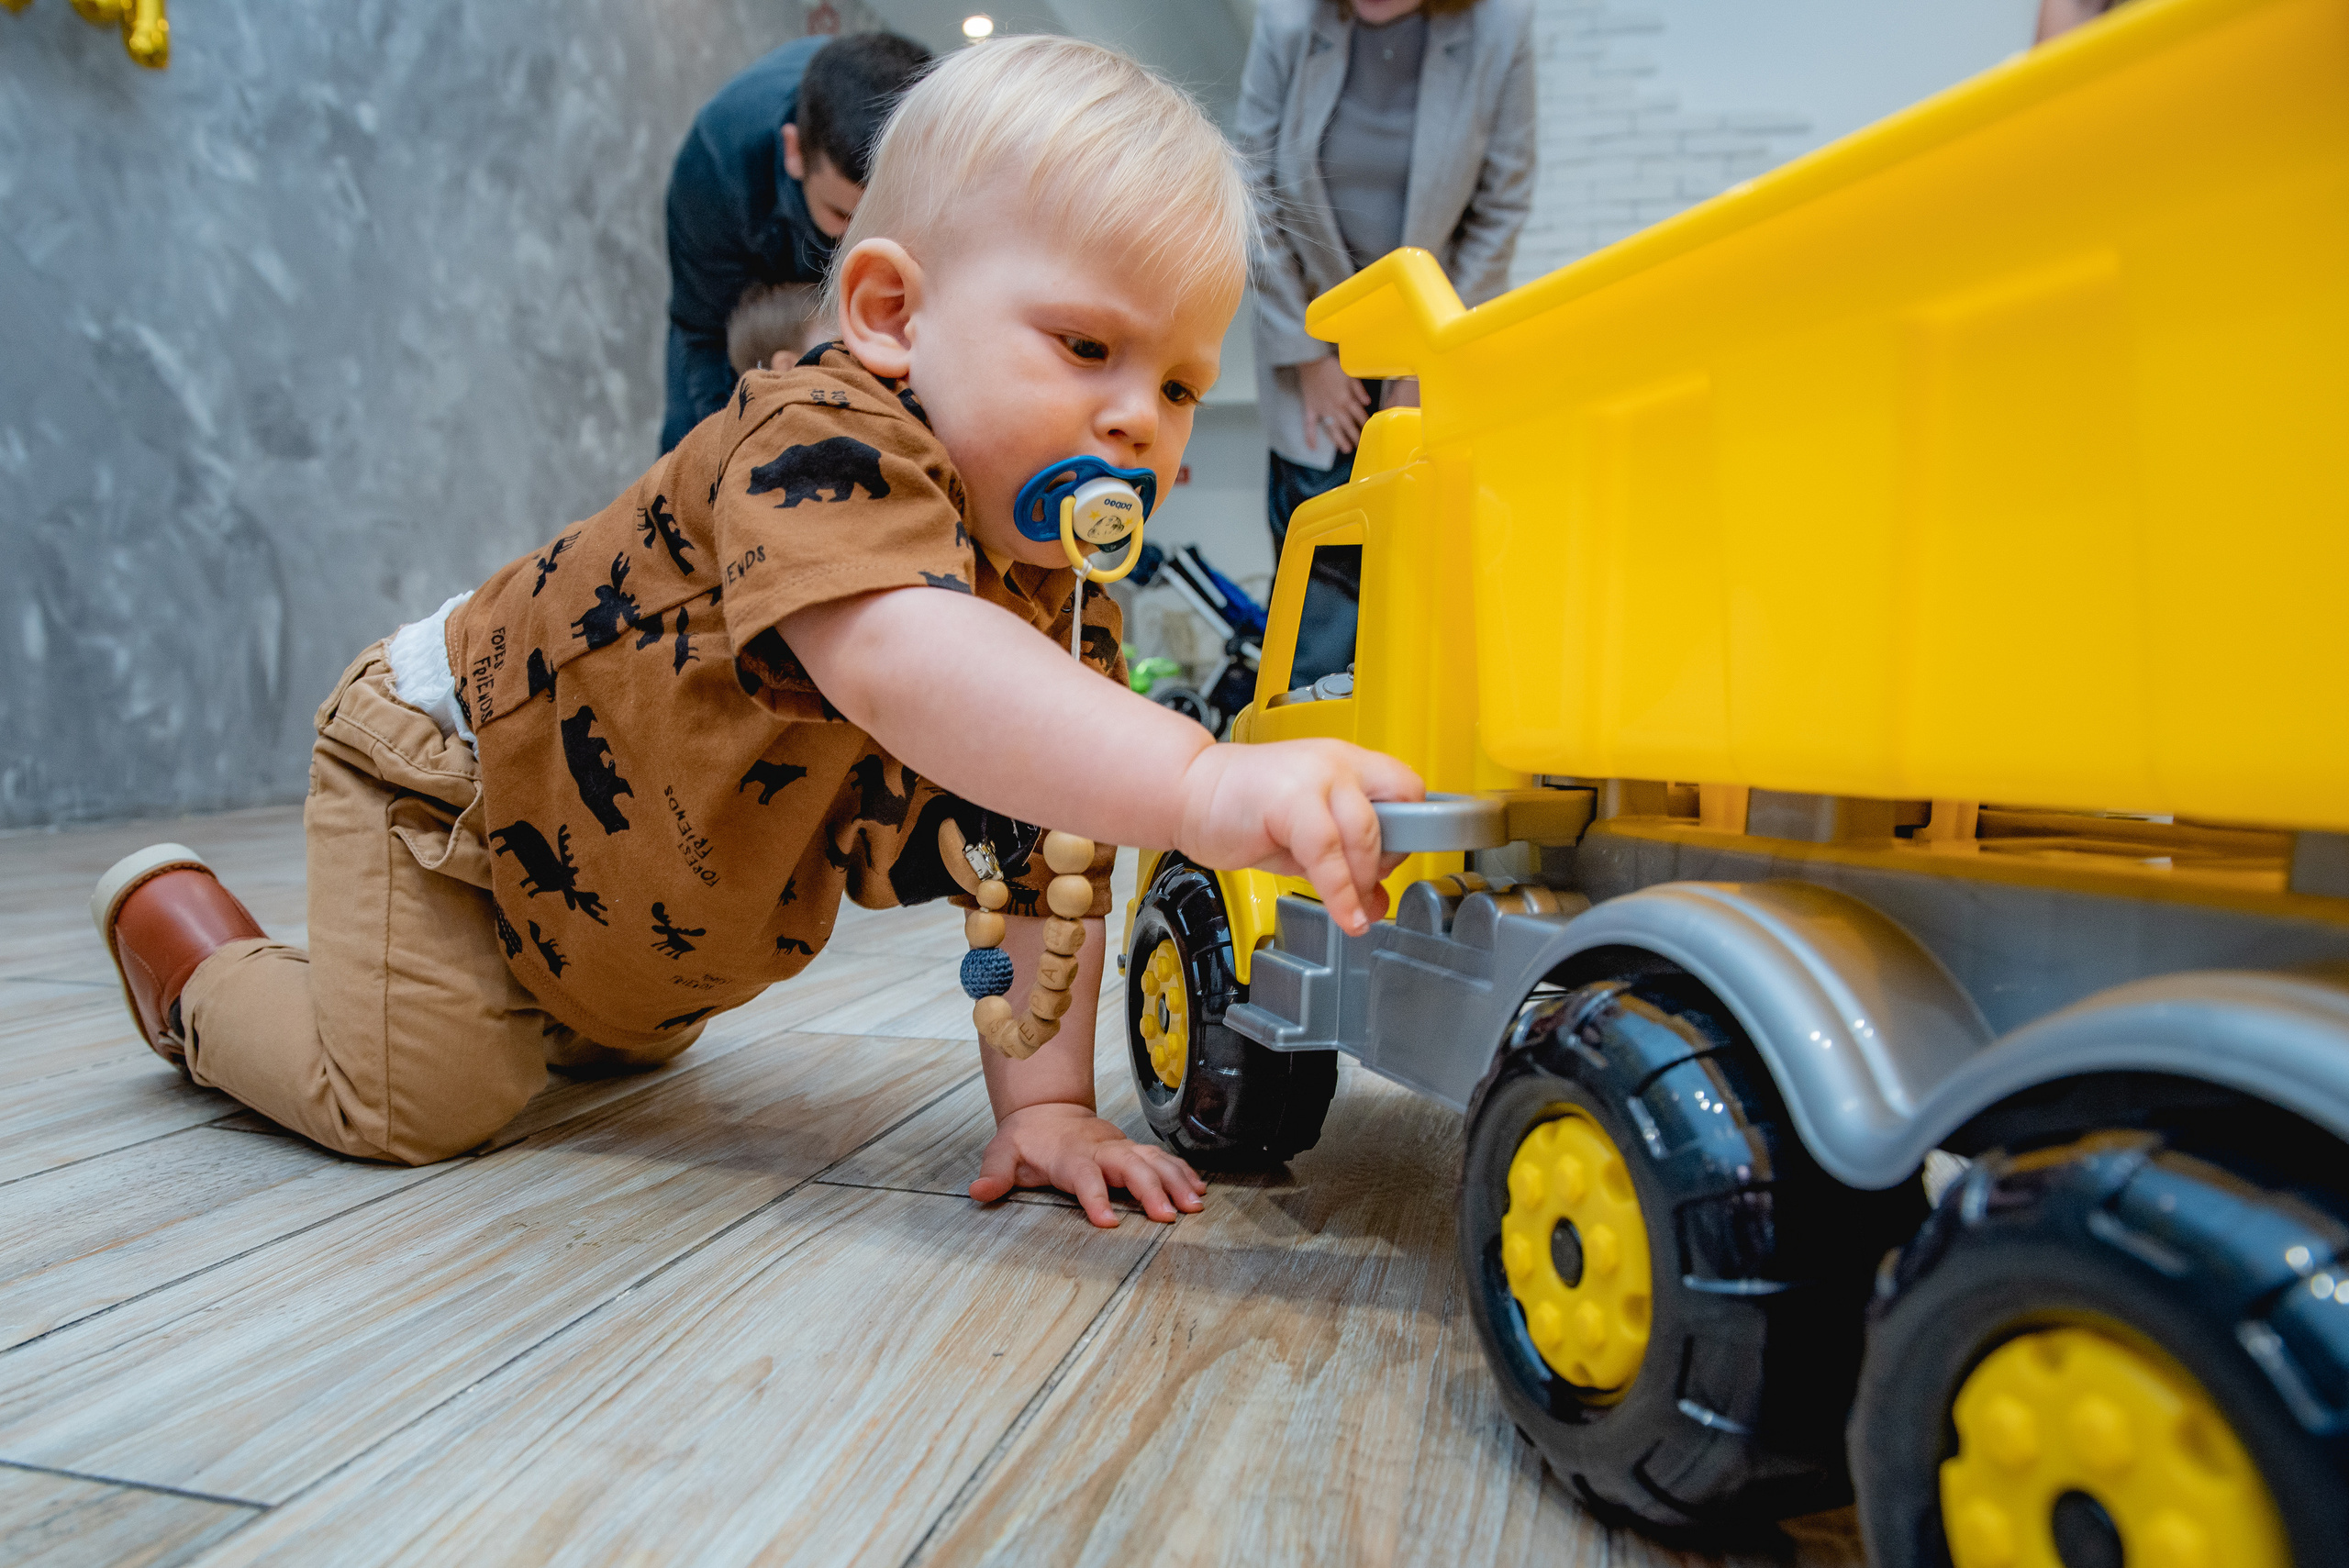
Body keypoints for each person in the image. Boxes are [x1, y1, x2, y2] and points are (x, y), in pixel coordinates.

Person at [90, 38, 1421, 1229]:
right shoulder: (815, 444)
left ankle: (530, 1000)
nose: (1145, 421)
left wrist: (1045, 1108)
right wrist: (1197, 780)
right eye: (1087, 348)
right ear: (892, 317)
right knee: (415, 1099)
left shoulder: (1058, 603)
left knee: (637, 1033)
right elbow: (905, 660)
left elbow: (1041, 858)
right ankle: (195, 962)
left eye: (1183, 382)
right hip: (453, 794)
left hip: (622, 900)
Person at [1237, 0, 1534, 686]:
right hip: (1313, 358)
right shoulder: (1286, 24)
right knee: (1319, 617)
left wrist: (1426, 354)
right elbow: (1251, 194)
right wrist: (1310, 354)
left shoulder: (1499, 30)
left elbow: (1501, 208)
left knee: (1425, 604)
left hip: (1433, 354)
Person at [662, 30, 931, 453]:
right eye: (842, 215)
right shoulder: (717, 166)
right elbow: (704, 334)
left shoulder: (941, 152)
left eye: (879, 224)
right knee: (691, 440)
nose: (857, 243)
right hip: (736, 279)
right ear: (794, 152)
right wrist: (722, 459)